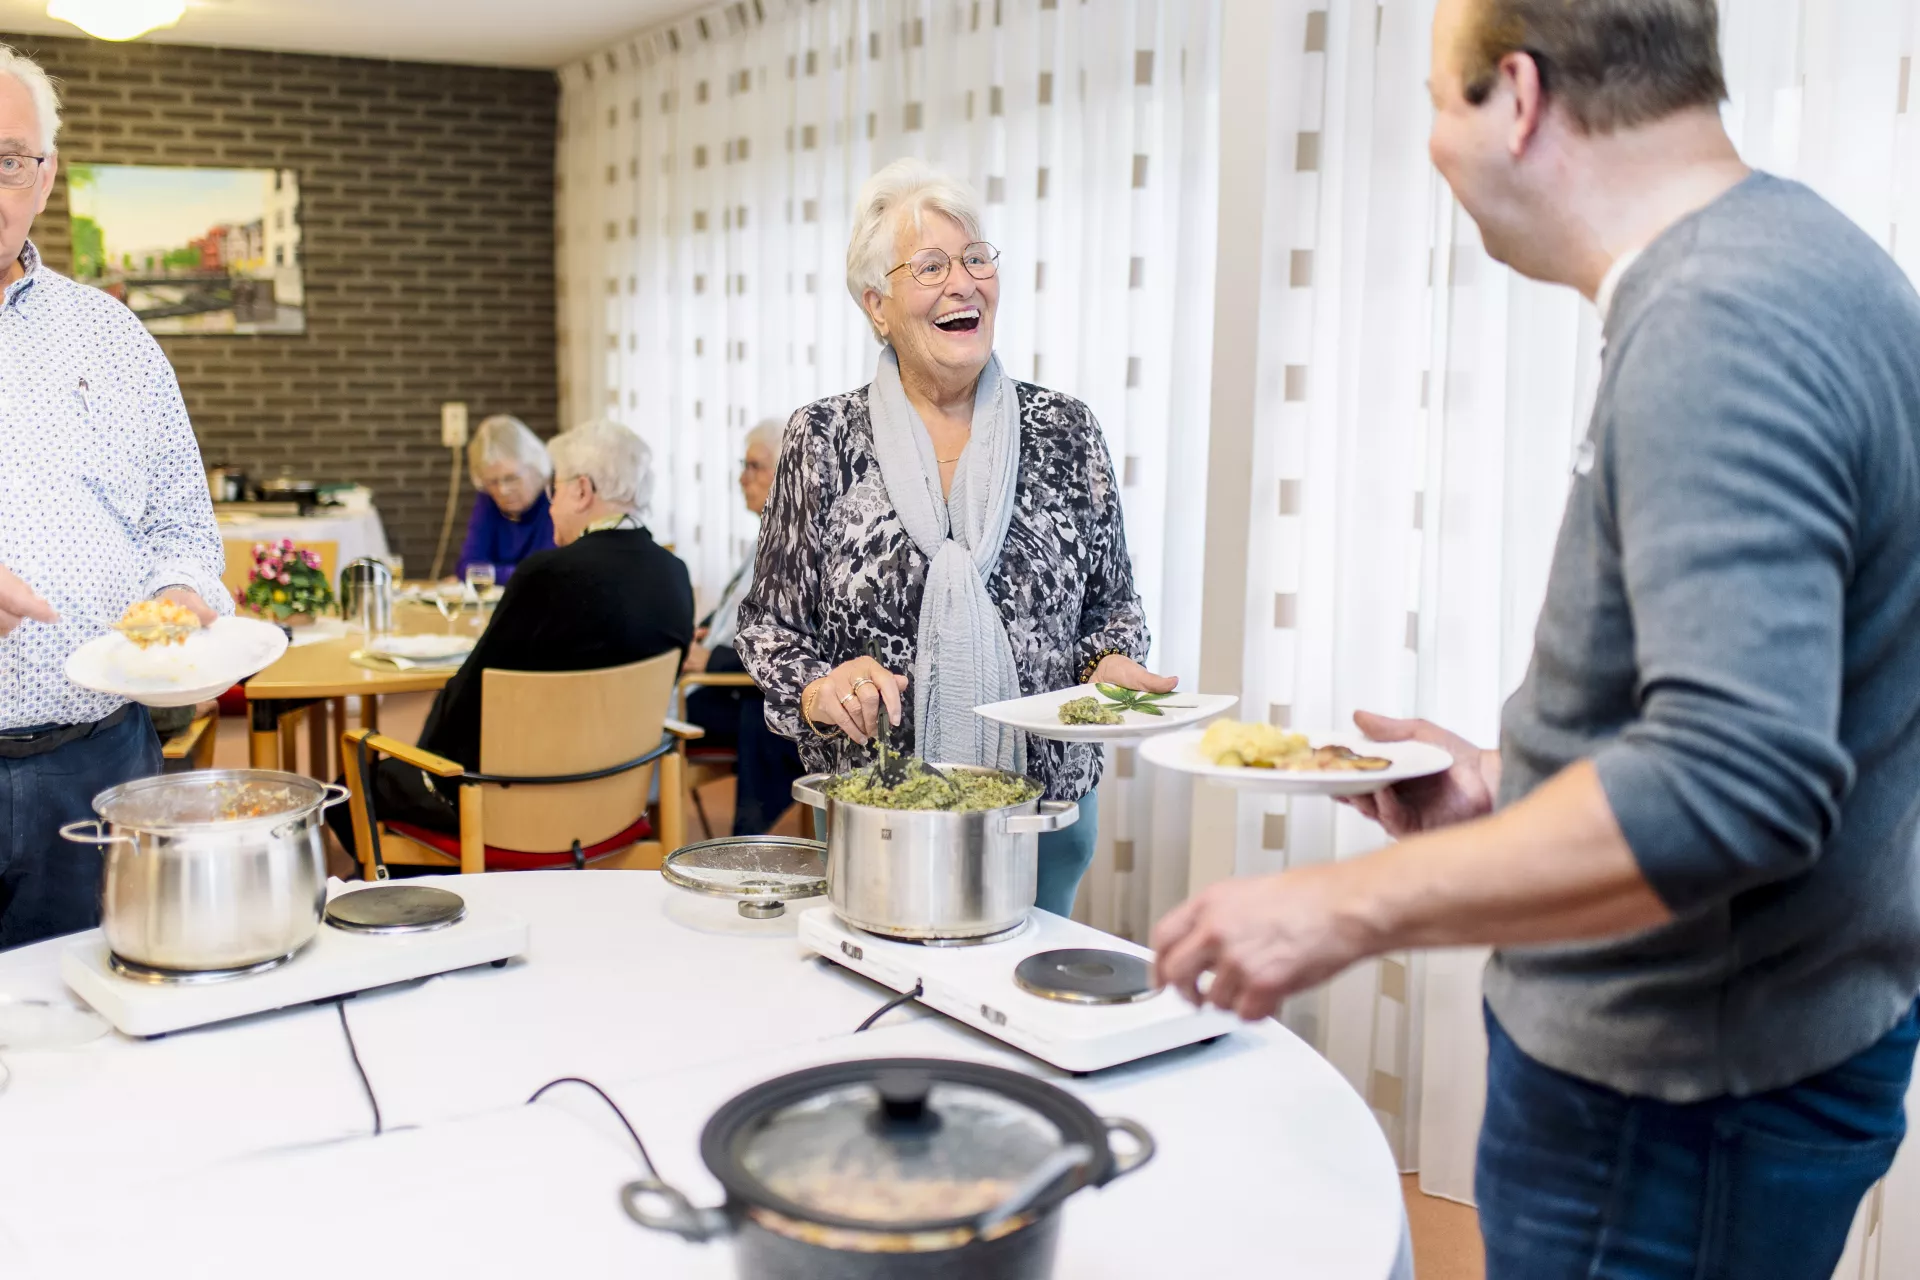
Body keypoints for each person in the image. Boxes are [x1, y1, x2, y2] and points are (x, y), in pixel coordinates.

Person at [1151, 2, 1920, 1276]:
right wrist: (1522, 792)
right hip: (1761, 1054)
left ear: (1515, 97)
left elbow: (1735, 783)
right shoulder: (1804, 261)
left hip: (1673, 1111)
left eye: (1436, 105)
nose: (1434, 149)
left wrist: (1342, 908)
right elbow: (1797, 692)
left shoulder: (1719, 323)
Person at [735, 159, 1173, 916]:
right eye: (931, 266)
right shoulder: (822, 438)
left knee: (1019, 1016)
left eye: (976, 259)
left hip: (1040, 812)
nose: (962, 283)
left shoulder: (1066, 431)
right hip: (875, 813)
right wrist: (821, 686)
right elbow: (770, 627)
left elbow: (1112, 606)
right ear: (878, 304)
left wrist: (1112, 666)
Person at [0, 47, 229, 949]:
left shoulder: (114, 334)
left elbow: (181, 521)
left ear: (46, 176)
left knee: (100, 1024)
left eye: (8, 156)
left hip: (100, 761)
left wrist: (181, 595)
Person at [327, 419, 693, 858]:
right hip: (618, 798)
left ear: (581, 491)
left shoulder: (546, 576)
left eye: (554, 491)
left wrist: (423, 757)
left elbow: (465, 705)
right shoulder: (675, 576)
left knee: (347, 787)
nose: (551, 505)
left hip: (511, 808)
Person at [684, 419, 805, 835]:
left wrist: (711, 657)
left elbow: (785, 633)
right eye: (745, 464)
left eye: (755, 466)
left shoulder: (793, 540)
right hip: (723, 678)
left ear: (786, 471)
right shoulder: (769, 532)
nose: (742, 478)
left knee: (643, 710)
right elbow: (738, 606)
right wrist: (703, 631)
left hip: (735, 684)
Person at [453, 414, 555, 584]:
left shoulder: (556, 498)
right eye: (492, 481)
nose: (502, 489)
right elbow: (467, 566)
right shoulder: (487, 499)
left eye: (511, 478)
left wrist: (491, 574)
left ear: (536, 467)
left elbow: (547, 574)